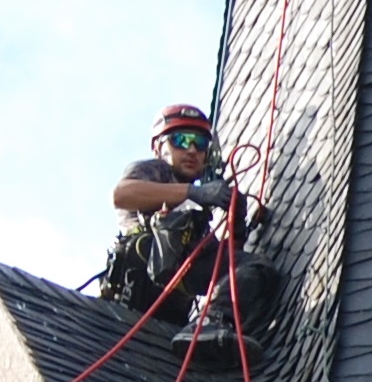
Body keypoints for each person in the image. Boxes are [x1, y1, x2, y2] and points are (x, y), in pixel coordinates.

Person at [100, 103, 273, 361]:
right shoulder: (154, 172)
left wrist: (236, 224)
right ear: (159, 147)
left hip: (175, 295)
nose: (191, 150)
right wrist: (194, 193)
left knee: (256, 269)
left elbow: (223, 269)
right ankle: (208, 325)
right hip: (144, 276)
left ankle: (214, 323)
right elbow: (121, 195)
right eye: (181, 140)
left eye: (200, 143)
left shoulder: (198, 207)